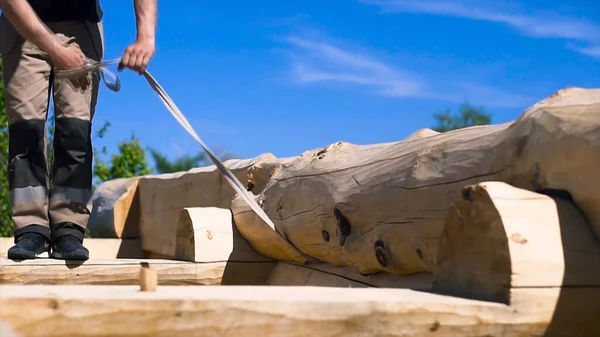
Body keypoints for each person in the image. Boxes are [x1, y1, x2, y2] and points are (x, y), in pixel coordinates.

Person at [0, 0, 157, 260]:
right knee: (25, 131)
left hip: (81, 30)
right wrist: (56, 51)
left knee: (75, 130)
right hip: (21, 24)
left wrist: (146, 37)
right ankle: (31, 228)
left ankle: (68, 229)